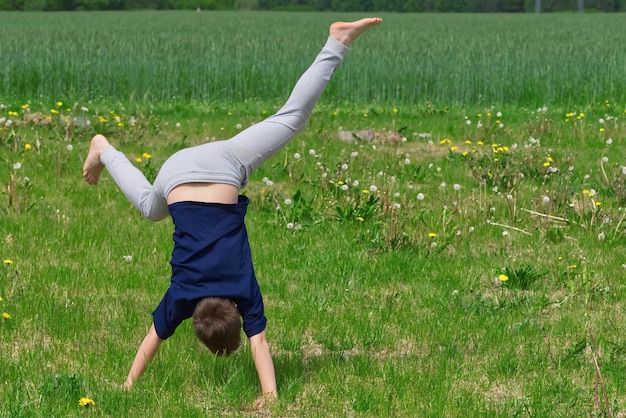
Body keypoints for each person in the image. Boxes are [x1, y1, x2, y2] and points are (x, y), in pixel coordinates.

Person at [82, 17, 382, 408]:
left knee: (292, 119)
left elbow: (259, 342)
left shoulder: (243, 291)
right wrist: (127, 384)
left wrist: (270, 396)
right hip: (177, 175)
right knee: (149, 208)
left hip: (224, 166)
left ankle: (336, 43)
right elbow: (152, 337)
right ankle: (105, 149)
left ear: (234, 315)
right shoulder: (182, 297)